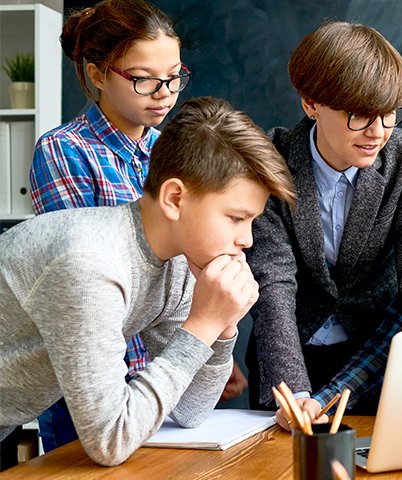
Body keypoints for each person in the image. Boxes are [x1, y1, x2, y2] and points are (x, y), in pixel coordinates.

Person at [0, 97, 296, 467]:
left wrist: (222, 328)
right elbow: (111, 440)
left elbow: (190, 410)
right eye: (236, 218)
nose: (247, 240)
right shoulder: (89, 266)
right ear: (174, 198)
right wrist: (202, 325)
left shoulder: (179, 262)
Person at [24, 0, 250, 452]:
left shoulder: (172, 148)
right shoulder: (64, 151)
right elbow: (85, 290)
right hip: (93, 384)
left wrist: (207, 346)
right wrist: (189, 346)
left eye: (174, 75)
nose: (165, 92)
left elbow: (184, 268)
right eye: (144, 78)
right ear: (98, 74)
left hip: (165, 374)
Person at [246, 20, 402, 429]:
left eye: (390, 114)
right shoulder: (270, 159)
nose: (378, 132)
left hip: (372, 357)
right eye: (359, 115)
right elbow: (273, 279)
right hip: (291, 352)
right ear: (311, 103)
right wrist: (295, 393)